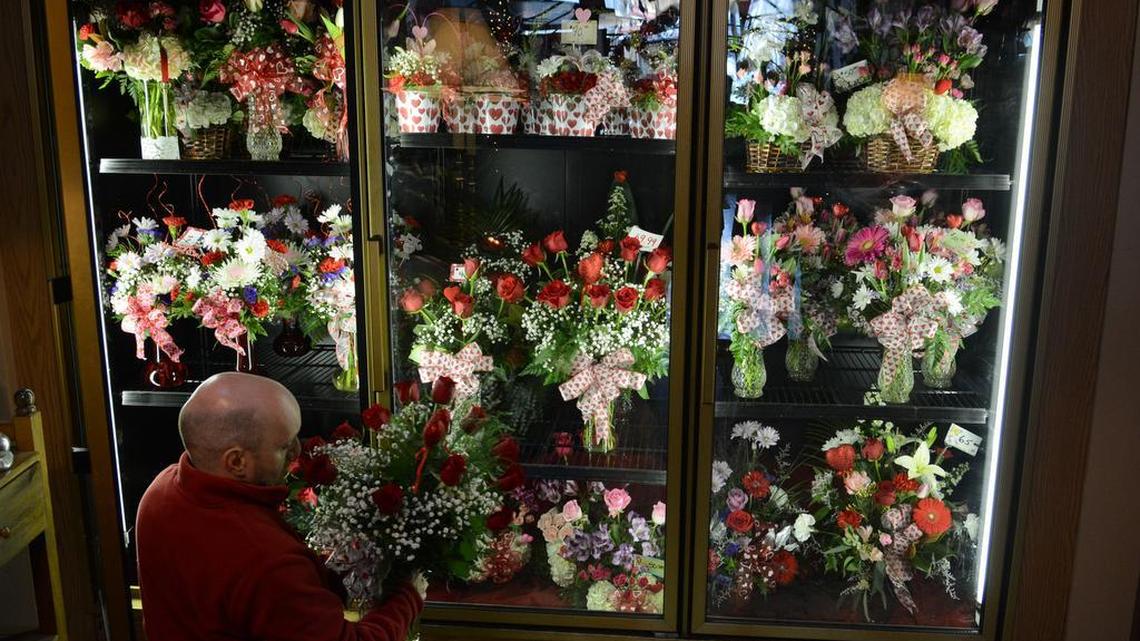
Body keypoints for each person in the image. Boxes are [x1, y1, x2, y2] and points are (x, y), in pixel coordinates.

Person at [136, 372, 423, 641]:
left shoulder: (160, 490)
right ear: (236, 462)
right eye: (283, 446)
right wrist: (410, 594)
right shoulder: (264, 558)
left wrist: (334, 570)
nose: (297, 452)